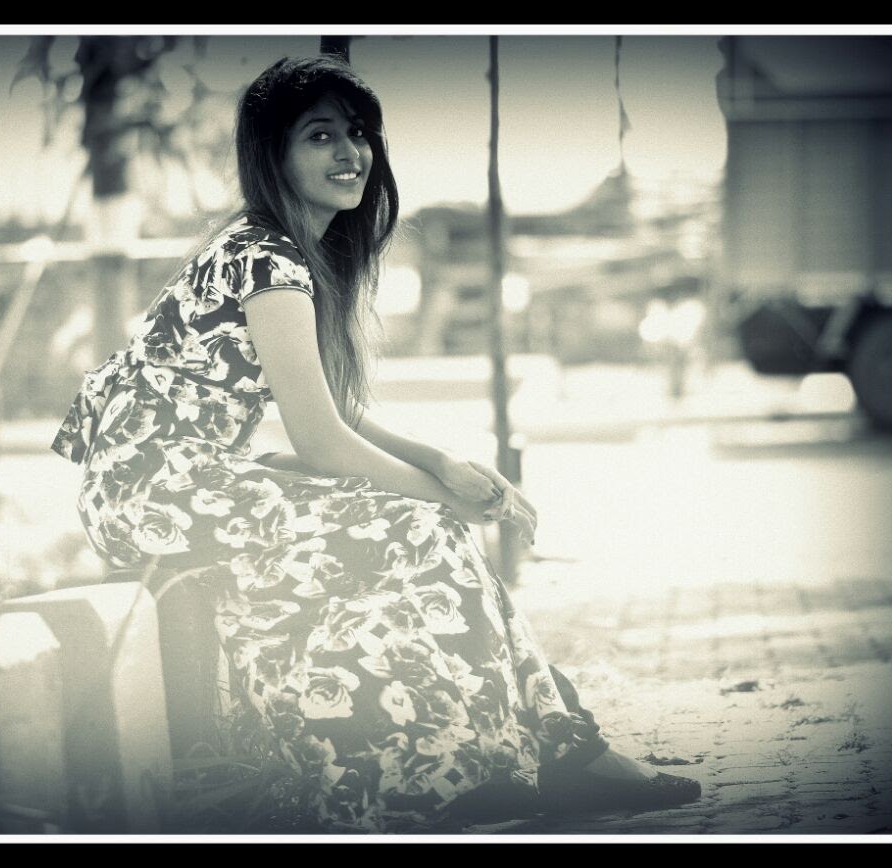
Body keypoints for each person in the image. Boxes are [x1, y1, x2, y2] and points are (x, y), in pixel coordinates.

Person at [51, 55, 699, 833]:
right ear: (273, 155)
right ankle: (547, 756)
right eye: (320, 135)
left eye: (357, 133)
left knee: (418, 527)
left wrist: (444, 465)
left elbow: (336, 411)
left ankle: (529, 753)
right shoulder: (265, 258)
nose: (349, 153)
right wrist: (449, 498)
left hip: (189, 476)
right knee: (422, 527)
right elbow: (322, 441)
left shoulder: (286, 254)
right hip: (158, 488)